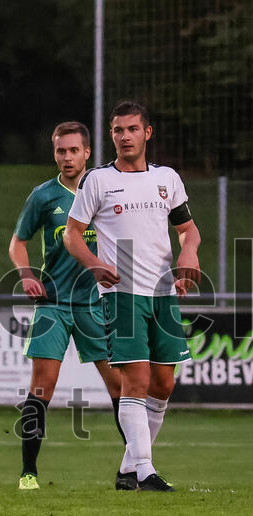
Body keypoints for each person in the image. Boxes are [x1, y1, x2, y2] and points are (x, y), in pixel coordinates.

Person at [64, 101, 201, 492]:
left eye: (131, 129)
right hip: (121, 293)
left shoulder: (167, 179)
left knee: (163, 384)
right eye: (117, 130)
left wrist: (189, 251)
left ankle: (129, 468)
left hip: (162, 293)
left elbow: (188, 230)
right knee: (136, 379)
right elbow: (73, 234)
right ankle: (145, 469)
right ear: (112, 136)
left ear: (147, 133)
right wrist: (92, 264)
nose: (124, 136)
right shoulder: (98, 181)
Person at [9, 121, 122, 490]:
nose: (67, 157)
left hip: (97, 303)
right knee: (42, 388)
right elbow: (17, 243)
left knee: (120, 388)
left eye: (74, 150)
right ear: (54, 153)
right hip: (53, 304)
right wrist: (26, 274)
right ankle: (28, 473)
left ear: (88, 152)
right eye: (61, 151)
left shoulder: (107, 189)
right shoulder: (43, 196)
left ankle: (137, 468)